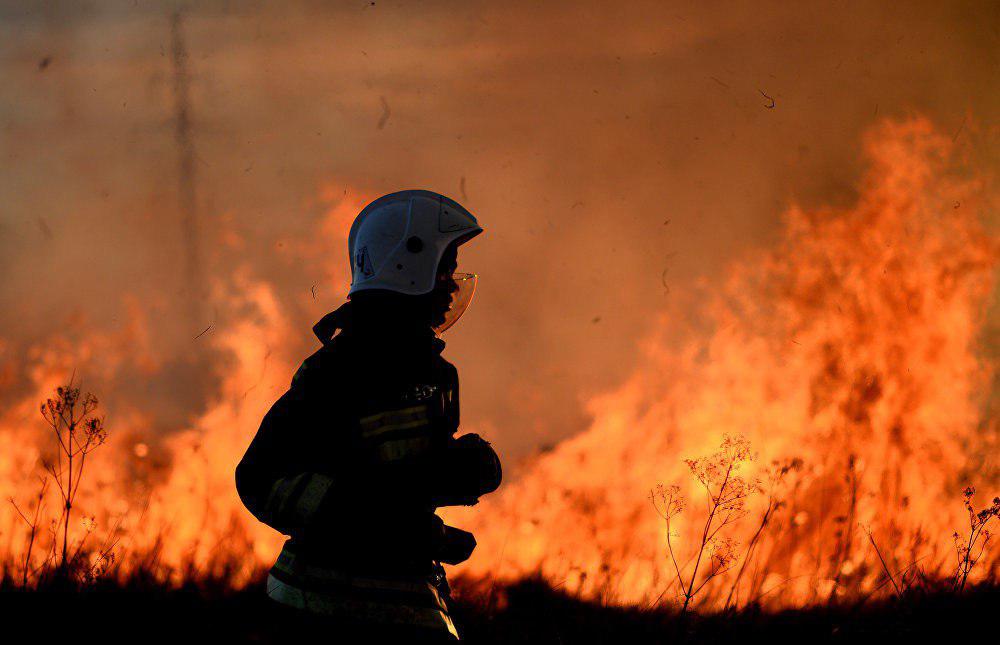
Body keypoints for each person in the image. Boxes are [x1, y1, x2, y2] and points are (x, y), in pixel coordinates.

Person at [235, 190, 502, 641]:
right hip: (326, 619)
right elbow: (261, 479)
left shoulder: (426, 372)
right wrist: (417, 534)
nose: (453, 285)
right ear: (408, 268)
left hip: (397, 611)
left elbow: (394, 474)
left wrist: (459, 468)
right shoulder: (341, 370)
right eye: (444, 270)